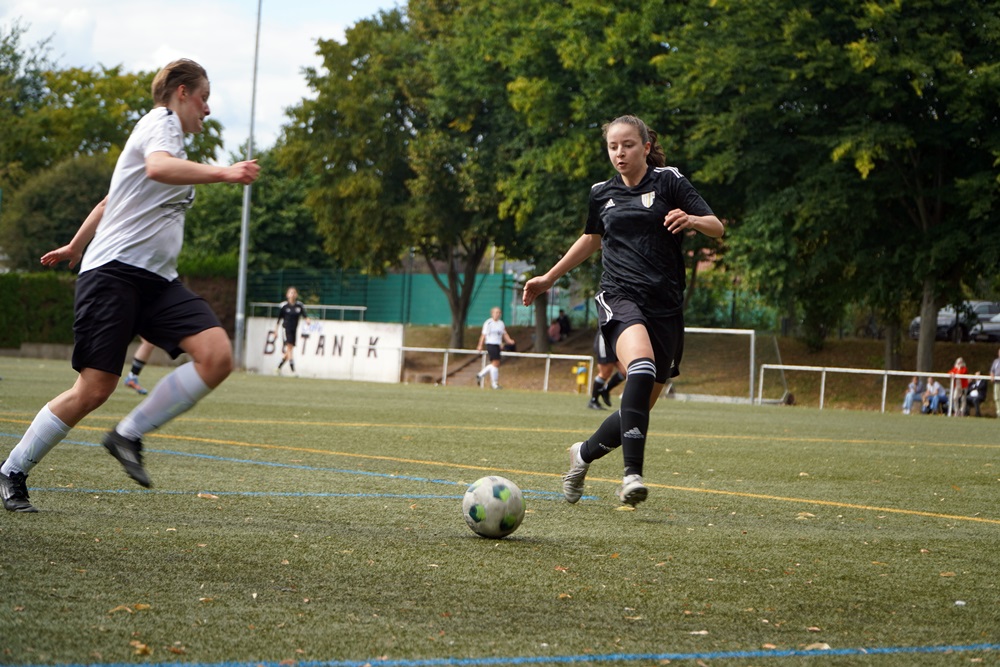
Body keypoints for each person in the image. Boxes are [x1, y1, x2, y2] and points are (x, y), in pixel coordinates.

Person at [0, 59, 260, 513]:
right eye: (203, 98)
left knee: (217, 356)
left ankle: (127, 435)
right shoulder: (161, 123)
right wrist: (225, 172)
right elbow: (158, 168)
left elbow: (110, 201)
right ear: (181, 92)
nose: (208, 108)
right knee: (93, 390)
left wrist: (75, 245)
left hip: (158, 281)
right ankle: (12, 470)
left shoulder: (171, 138)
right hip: (114, 274)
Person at [522, 114, 724, 507]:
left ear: (645, 147)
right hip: (619, 297)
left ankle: (582, 454)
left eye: (628, 145)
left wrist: (692, 220)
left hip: (666, 307)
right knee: (641, 368)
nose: (620, 153)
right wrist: (548, 277)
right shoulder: (601, 193)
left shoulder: (669, 181)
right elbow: (591, 239)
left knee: (637, 407)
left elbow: (716, 226)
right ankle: (632, 476)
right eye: (613, 146)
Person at [475, 307, 516, 390]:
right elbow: (483, 335)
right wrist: (480, 345)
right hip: (491, 344)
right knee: (495, 363)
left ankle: (480, 375)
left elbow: (504, 333)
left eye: (499, 312)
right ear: (492, 313)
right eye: (496, 312)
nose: (497, 314)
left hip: (498, 345)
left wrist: (509, 340)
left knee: (496, 364)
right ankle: (493, 383)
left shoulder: (501, 323)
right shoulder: (488, 323)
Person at [274, 286, 311, 376]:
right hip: (286, 329)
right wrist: (275, 331)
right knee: (289, 348)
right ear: (287, 295)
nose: (293, 294)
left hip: (294, 330)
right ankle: (293, 370)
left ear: (296, 294)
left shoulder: (299, 306)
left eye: (294, 292)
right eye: (291, 292)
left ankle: (278, 367)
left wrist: (307, 319)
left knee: (289, 350)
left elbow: (305, 315)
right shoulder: (284, 306)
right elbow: (278, 320)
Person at [588, 331, 625, 411]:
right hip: (604, 339)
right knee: (605, 372)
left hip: (616, 339)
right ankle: (593, 400)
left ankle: (606, 390)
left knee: (625, 371)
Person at [991, 348, 1000, 418]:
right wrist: (992, 376)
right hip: (997, 382)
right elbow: (992, 370)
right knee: (996, 397)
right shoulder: (995, 361)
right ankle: (998, 411)